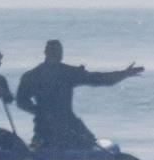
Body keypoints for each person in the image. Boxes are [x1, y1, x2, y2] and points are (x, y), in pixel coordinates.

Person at [15, 39, 143, 150]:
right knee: (88, 143)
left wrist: (40, 112)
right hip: (59, 126)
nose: (57, 55)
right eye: (56, 52)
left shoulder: (37, 75)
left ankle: (41, 144)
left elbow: (21, 101)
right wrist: (42, 113)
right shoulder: (61, 73)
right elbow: (98, 79)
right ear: (48, 53)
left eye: (58, 52)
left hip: (52, 125)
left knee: (82, 140)